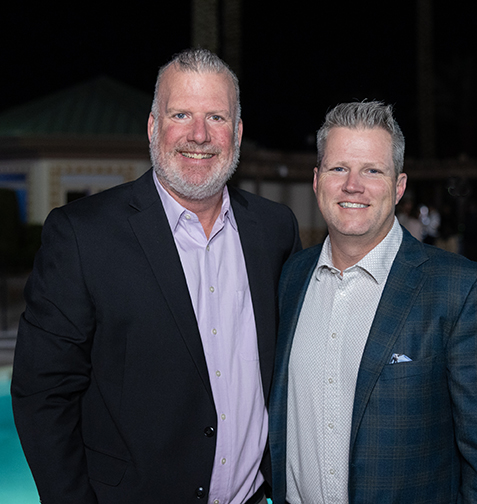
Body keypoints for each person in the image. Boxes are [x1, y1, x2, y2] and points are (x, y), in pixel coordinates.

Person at [11, 48, 301, 504]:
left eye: (217, 117)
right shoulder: (83, 235)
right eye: (180, 114)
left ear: (238, 132)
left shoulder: (275, 230)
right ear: (152, 127)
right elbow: (42, 393)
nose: (199, 134)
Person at [269, 101, 477, 503]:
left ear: (399, 185)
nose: (353, 185)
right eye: (339, 169)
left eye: (372, 170)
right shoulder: (291, 277)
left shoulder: (463, 291)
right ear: (317, 180)